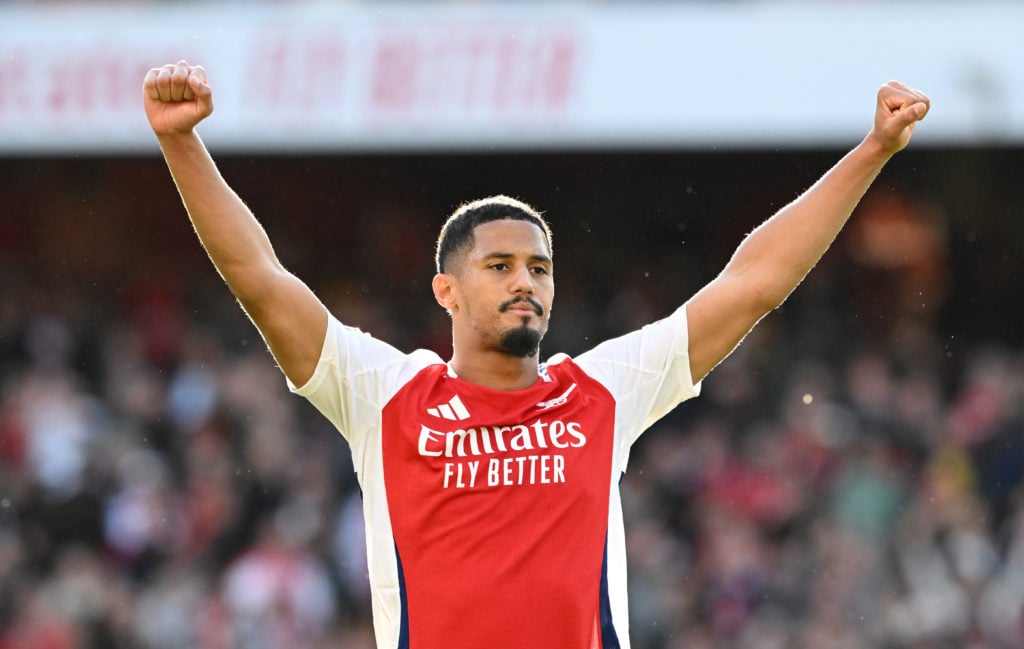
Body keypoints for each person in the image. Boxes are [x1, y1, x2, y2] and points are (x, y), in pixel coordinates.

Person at [143, 60, 930, 649]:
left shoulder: (600, 390)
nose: (527, 283)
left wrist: (872, 150)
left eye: (541, 268)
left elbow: (752, 282)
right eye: (500, 267)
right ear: (446, 292)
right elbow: (260, 278)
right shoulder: (382, 392)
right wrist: (183, 146)